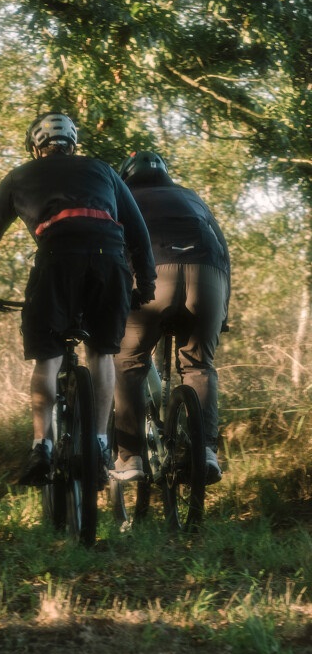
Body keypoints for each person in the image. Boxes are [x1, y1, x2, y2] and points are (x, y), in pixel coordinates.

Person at [0, 113, 156, 488]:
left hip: (57, 258)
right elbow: (137, 230)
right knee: (102, 352)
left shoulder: (19, 176)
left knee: (47, 355)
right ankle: (101, 444)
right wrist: (145, 283)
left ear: (36, 148)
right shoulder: (102, 169)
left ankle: (42, 446)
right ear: (73, 144)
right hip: (109, 259)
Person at [112, 150, 230, 485]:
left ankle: (130, 456)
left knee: (128, 361)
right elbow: (223, 250)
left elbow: (113, 250)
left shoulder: (123, 198)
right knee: (198, 365)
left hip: (154, 278)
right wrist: (223, 311)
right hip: (208, 278)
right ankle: (205, 452)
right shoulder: (192, 198)